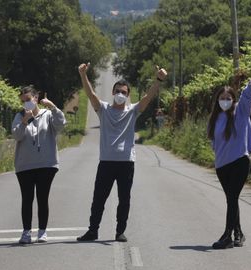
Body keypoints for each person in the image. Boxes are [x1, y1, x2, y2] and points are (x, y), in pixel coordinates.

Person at [76, 63, 167, 242]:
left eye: (124, 92)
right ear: (112, 93)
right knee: (98, 199)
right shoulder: (103, 109)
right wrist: (82, 74)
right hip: (107, 162)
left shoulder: (132, 111)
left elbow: (148, 97)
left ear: (128, 95)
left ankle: (120, 232)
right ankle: (93, 230)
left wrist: (158, 80)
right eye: (117, 91)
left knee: (124, 199)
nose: (120, 94)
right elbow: (90, 94)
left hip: (126, 162)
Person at [207, 62, 251, 249]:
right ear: (217, 100)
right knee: (231, 199)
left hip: (239, 162)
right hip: (222, 166)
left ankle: (227, 236)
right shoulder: (215, 118)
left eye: (228, 98)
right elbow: (214, 143)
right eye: (221, 98)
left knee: (232, 199)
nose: (224, 100)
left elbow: (248, 92)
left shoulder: (240, 112)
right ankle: (239, 234)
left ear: (233, 100)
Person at [11, 86, 66, 244]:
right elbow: (17, 135)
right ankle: (26, 232)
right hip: (25, 166)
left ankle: (42, 231)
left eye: (28, 99)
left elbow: (61, 124)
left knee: (43, 198)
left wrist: (53, 107)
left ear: (36, 98)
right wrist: (23, 121)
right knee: (27, 199)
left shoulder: (48, 115)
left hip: (46, 164)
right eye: (23, 101)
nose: (26, 103)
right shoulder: (19, 116)